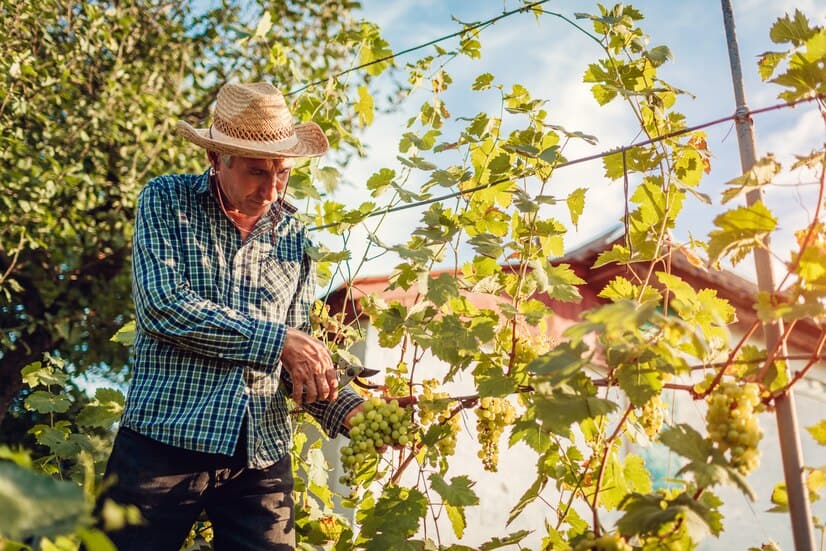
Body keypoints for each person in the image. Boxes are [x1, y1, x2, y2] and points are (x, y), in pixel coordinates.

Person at [101, 81, 368, 550]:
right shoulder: (166, 201)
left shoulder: (296, 237)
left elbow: (295, 362)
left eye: (282, 173)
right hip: (163, 440)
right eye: (256, 172)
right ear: (216, 159)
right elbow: (163, 306)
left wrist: (355, 412)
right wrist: (277, 340)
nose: (271, 190)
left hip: (258, 453)